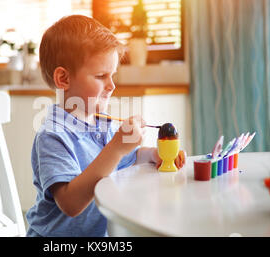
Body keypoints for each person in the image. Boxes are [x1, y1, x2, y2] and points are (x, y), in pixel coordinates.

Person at [26, 15, 186, 237]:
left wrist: (151, 154)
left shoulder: (103, 123)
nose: (111, 85)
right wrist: (117, 147)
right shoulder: (53, 135)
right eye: (101, 75)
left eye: (112, 75)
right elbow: (71, 204)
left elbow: (123, 160)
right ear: (63, 79)